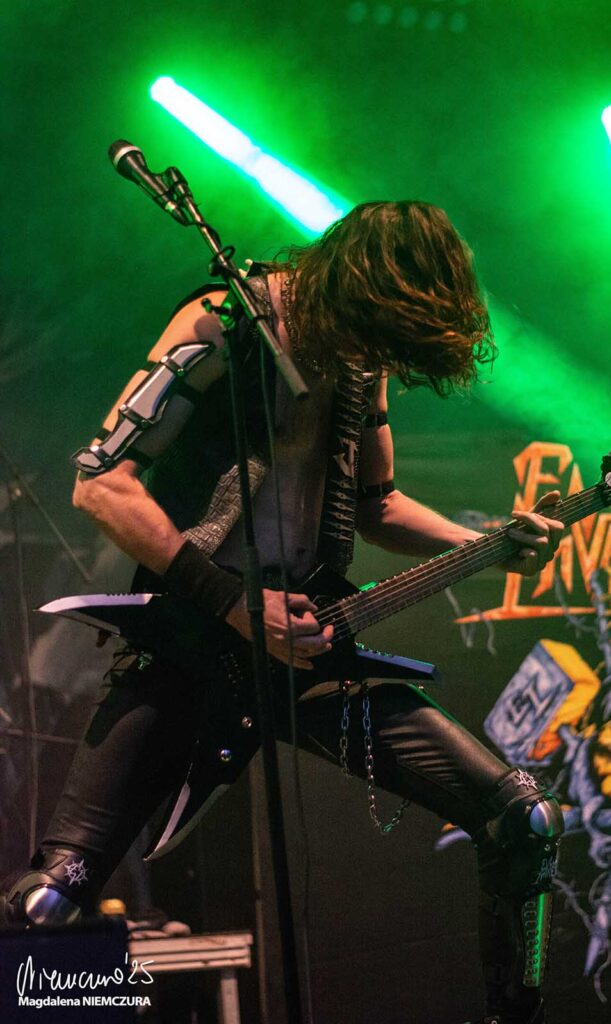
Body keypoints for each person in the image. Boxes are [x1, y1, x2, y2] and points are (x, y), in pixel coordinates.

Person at [3, 201, 564, 1024]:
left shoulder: (358, 352)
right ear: (355, 287)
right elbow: (101, 485)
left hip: (308, 650)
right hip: (193, 644)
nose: (375, 355)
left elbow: (376, 504)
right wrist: (235, 606)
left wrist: (483, 542)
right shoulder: (220, 324)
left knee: (524, 818)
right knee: (52, 900)